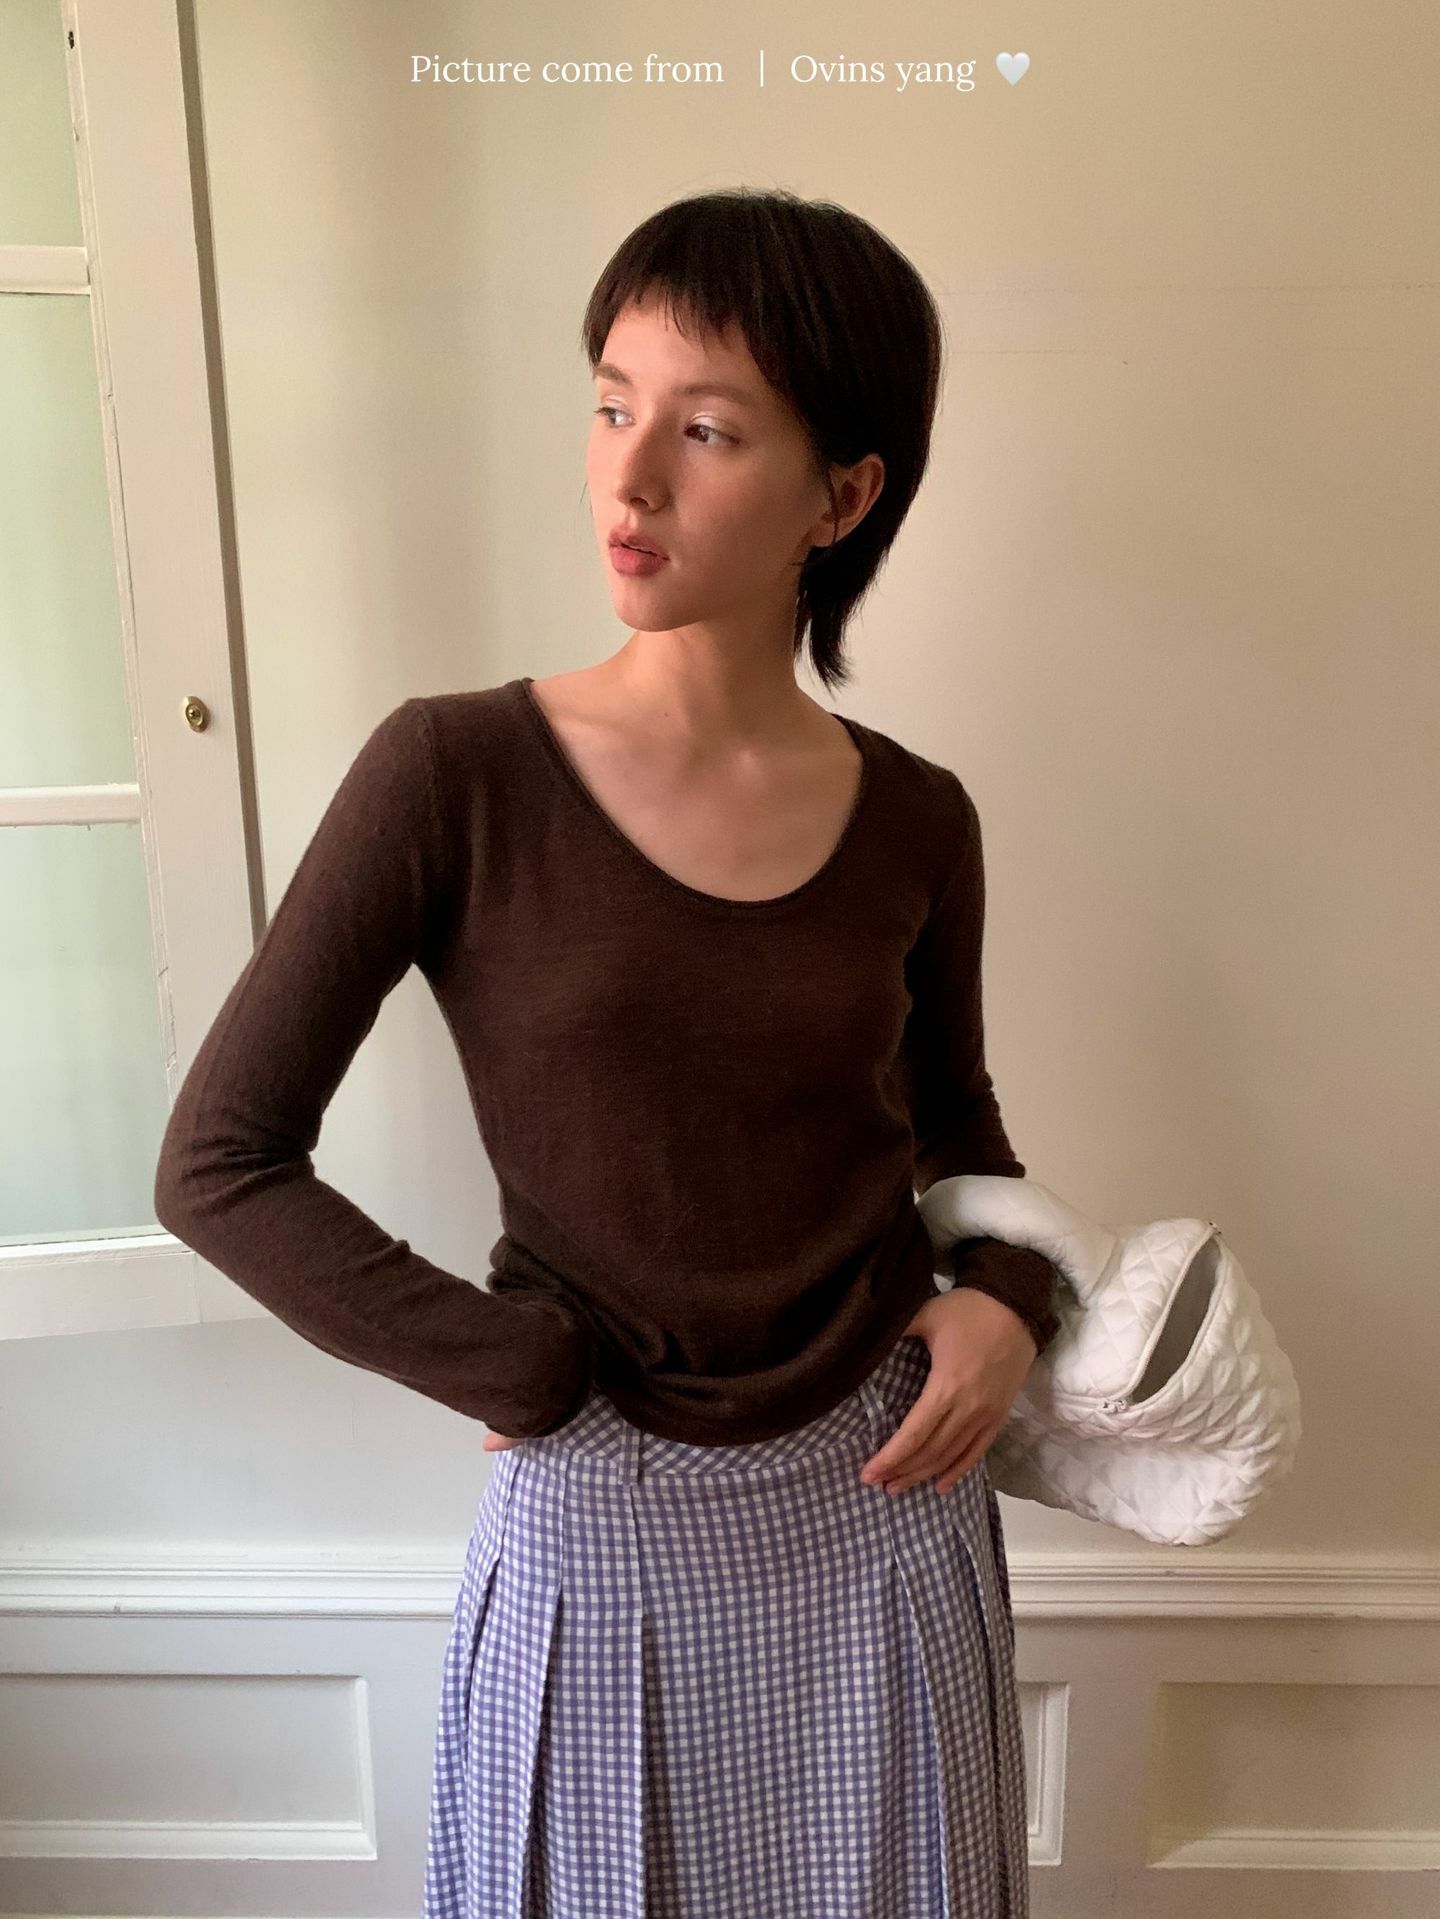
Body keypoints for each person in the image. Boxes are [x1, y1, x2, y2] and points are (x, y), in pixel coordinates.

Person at [153, 185, 1063, 1917]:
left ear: (844, 497)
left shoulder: (918, 819)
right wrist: (511, 1369)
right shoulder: (454, 775)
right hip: (601, 1511)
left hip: (886, 1504)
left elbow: (957, 1125)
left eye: (705, 429)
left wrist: (1010, 1297)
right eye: (610, 404)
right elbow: (219, 1165)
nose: (628, 477)